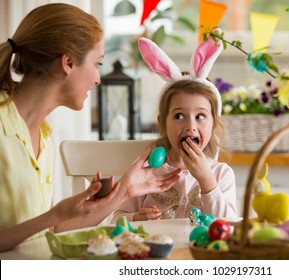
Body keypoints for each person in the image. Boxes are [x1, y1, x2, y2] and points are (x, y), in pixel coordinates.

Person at [0, 3, 181, 252]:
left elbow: (49, 233)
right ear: (69, 63)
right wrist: (52, 216)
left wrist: (124, 192)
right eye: (97, 63)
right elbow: (48, 223)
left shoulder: (43, 133)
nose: (97, 78)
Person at [112, 31, 238, 221]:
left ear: (214, 124)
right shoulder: (145, 172)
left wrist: (207, 181)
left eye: (200, 116)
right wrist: (137, 218)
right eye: (179, 116)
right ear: (162, 122)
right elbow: (117, 219)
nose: (190, 126)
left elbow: (230, 227)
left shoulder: (221, 174)